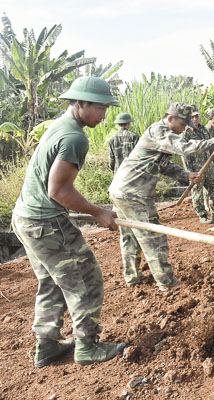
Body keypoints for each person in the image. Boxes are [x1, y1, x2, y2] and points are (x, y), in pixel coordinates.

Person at [11, 76, 126, 367]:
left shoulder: (60, 125)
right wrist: (98, 212)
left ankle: (47, 345)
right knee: (85, 280)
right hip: (46, 223)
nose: (104, 115)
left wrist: (94, 209)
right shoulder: (75, 137)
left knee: (51, 281)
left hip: (26, 218)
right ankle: (88, 346)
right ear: (81, 102)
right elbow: (59, 190)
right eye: (100, 107)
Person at [108, 102, 214, 288]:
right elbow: (185, 148)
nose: (184, 129)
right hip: (134, 194)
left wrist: (186, 175)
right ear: (171, 118)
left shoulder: (161, 135)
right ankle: (167, 283)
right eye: (182, 125)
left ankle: (132, 277)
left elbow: (164, 165)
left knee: (130, 236)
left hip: (122, 191)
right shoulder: (159, 132)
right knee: (153, 238)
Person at [182, 105, 214, 224]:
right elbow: (184, 153)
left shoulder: (203, 129)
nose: (195, 119)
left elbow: (212, 145)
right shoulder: (185, 133)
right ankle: (202, 214)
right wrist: (189, 172)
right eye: (192, 117)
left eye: (196, 116)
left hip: (208, 165)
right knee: (197, 192)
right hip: (196, 169)